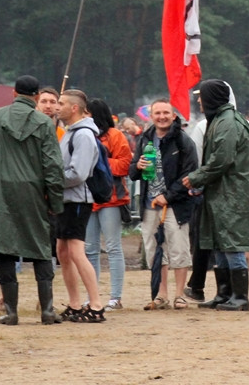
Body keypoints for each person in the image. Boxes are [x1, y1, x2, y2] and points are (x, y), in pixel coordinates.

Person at [0, 75, 64, 325]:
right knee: (41, 247)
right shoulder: (44, 124)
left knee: (3, 248)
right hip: (34, 193)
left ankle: (11, 312)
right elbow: (53, 166)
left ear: (13, 93)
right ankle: (46, 310)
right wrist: (56, 202)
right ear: (36, 96)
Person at [183, 80, 249, 312]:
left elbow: (222, 160)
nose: (198, 100)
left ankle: (240, 297)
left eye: (201, 96)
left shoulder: (228, 124)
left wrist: (196, 177)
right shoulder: (221, 120)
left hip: (231, 193)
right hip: (221, 193)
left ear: (212, 97)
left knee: (231, 244)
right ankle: (224, 294)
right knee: (220, 243)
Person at [130, 98, 199, 310]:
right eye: (157, 113)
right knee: (154, 250)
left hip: (176, 204)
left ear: (173, 115)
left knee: (178, 248)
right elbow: (132, 172)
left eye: (166, 113)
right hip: (150, 204)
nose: (162, 117)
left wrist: (168, 196)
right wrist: (138, 165)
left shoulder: (183, 141)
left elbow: (190, 173)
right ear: (151, 116)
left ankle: (179, 295)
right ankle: (161, 294)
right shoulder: (145, 139)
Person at [55, 89, 106, 323]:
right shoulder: (69, 133)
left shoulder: (83, 135)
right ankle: (75, 304)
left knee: (76, 250)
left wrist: (51, 180)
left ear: (74, 108)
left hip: (77, 199)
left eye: (61, 103)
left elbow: (78, 173)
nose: (57, 107)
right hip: (66, 199)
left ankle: (95, 304)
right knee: (62, 252)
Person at [84, 98, 131, 311]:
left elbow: (124, 165)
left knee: (113, 247)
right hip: (86, 198)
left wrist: (97, 160)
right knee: (90, 249)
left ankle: (115, 296)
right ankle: (92, 296)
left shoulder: (115, 136)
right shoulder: (83, 135)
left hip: (111, 198)